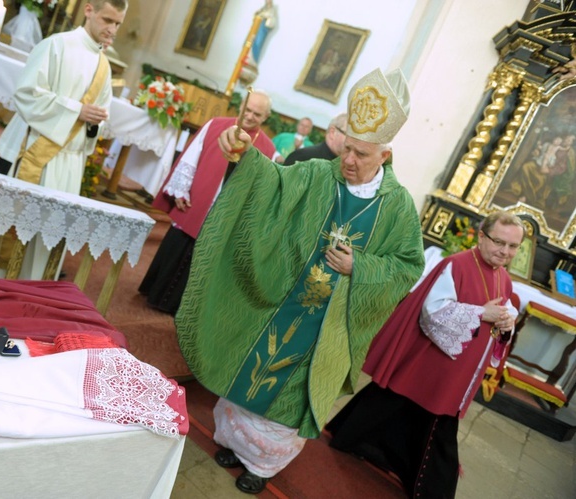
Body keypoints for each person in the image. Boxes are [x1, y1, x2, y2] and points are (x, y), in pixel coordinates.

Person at [176, 68, 425, 494]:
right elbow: (271, 185)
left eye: (361, 155)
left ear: (384, 155)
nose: (348, 160)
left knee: (289, 396)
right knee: (248, 371)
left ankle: (263, 464)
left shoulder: (399, 207)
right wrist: (244, 153)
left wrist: (359, 268)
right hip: (280, 300)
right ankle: (236, 444)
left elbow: (407, 266)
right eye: (346, 148)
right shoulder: (318, 174)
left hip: (327, 325)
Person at [327, 211, 524, 498]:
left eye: (513, 246)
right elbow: (433, 312)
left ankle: (356, 439)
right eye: (499, 242)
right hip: (433, 360)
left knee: (398, 404)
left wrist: (505, 325)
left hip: (461, 367)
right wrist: (483, 313)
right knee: (423, 414)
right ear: (481, 237)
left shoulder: (503, 279)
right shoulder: (456, 265)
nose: (505, 251)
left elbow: (496, 321)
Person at [0, 0, 128, 280]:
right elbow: (27, 93)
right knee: (18, 230)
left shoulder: (104, 66)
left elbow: (100, 115)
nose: (112, 29)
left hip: (71, 162)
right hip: (38, 153)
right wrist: (77, 111)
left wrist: (94, 121)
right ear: (89, 10)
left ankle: (34, 296)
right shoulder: (56, 45)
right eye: (108, 20)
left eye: (118, 24)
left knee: (49, 237)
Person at [139, 90, 276, 314]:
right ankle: (156, 294)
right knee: (178, 246)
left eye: (257, 114)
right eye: (247, 110)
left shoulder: (268, 149)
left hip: (225, 214)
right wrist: (181, 190)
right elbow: (191, 157)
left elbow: (263, 186)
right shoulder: (216, 125)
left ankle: (181, 308)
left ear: (266, 117)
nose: (250, 116)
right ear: (240, 107)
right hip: (197, 201)